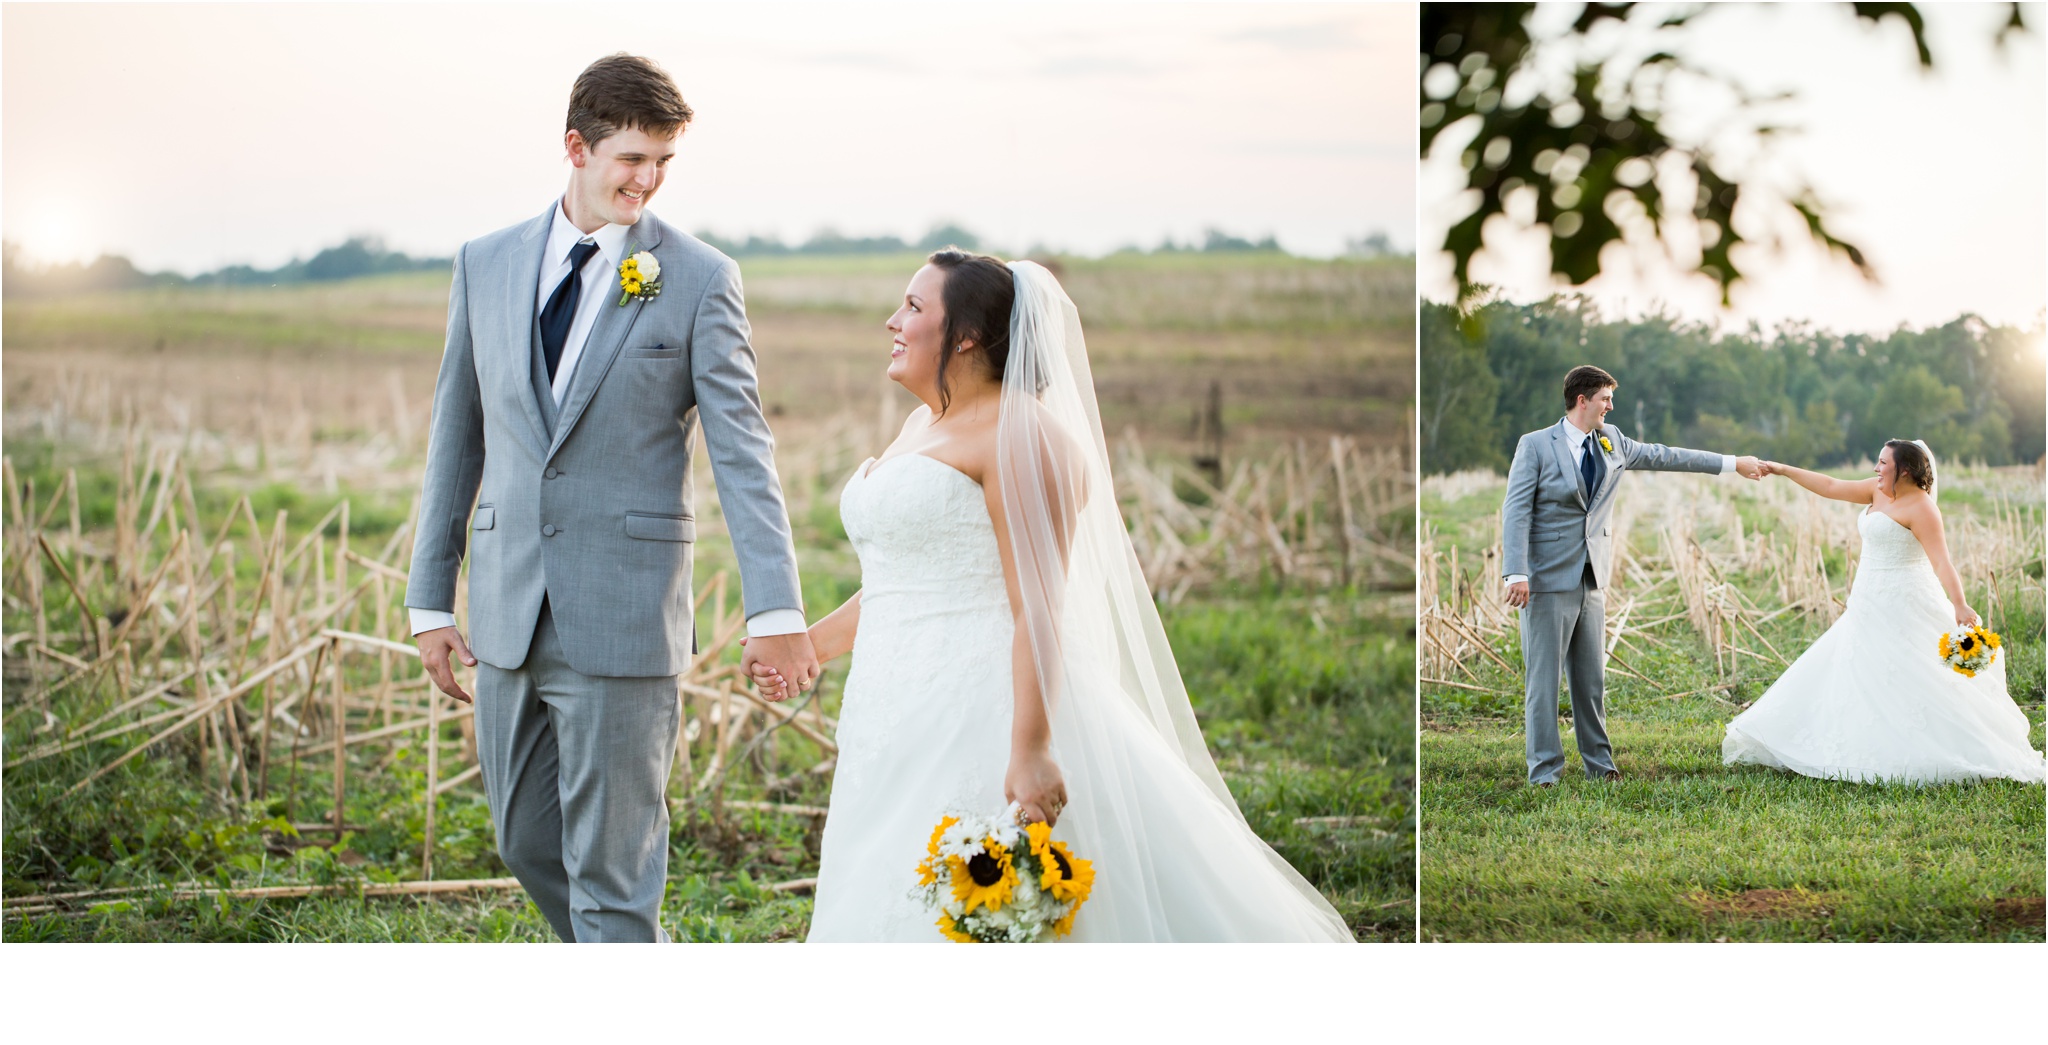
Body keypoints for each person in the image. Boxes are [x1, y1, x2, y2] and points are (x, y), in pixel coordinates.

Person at [778, 250, 1353, 941]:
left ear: (964, 335)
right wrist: (811, 644)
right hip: (892, 709)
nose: (892, 322)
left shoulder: (1025, 434)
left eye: (913, 307)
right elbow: (908, 585)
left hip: (985, 706)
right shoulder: (921, 426)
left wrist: (1030, 748)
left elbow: (1039, 604)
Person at [404, 53, 818, 942]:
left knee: (615, 871)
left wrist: (775, 604)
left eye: (664, 163)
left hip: (626, 614)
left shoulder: (702, 277)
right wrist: (428, 597)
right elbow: (458, 433)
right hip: (509, 606)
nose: (649, 181)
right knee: (524, 840)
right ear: (575, 147)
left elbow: (744, 453)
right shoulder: (484, 264)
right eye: (633, 159)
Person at [1500, 365, 1763, 786]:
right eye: (1605, 398)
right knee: (1543, 684)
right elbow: (1515, 510)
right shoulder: (1534, 446)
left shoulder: (1613, 440)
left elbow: (1669, 455)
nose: (1611, 405)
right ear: (1582, 400)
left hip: (1592, 580)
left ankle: (1600, 767)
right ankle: (1544, 772)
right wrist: (1515, 571)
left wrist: (1733, 463)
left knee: (1590, 683)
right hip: (1546, 581)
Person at [1723, 441, 2046, 784]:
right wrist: (1783, 470)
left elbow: (1941, 561)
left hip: (1905, 602)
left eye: (1882, 463)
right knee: (1860, 670)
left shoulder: (1922, 508)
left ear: (1904, 470)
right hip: (1868, 601)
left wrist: (1960, 603)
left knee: (1919, 672)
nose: (1876, 469)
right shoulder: (1878, 491)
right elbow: (1831, 486)